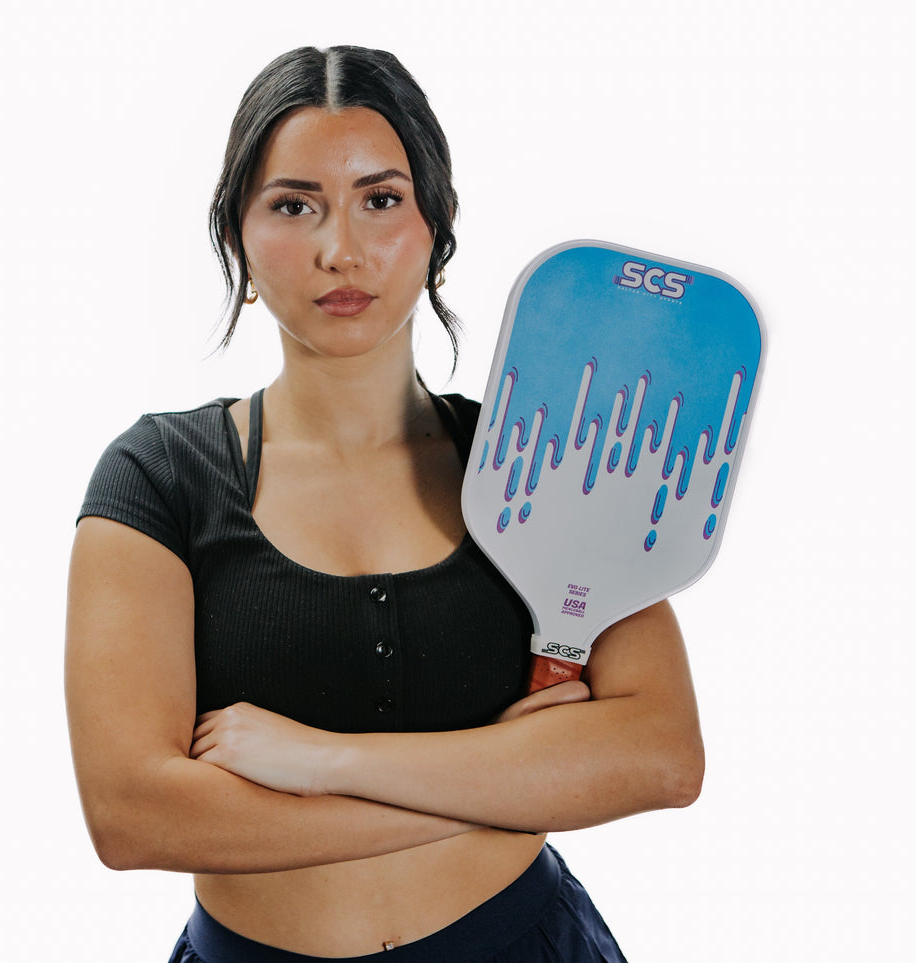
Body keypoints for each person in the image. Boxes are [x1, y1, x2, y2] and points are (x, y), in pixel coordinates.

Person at [65, 46, 704, 962]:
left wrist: (318, 761)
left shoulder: (546, 460)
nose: (341, 249)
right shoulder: (161, 476)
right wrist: (500, 781)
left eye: (381, 199)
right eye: (294, 205)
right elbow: (132, 814)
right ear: (238, 239)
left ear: (437, 228)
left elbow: (660, 756)